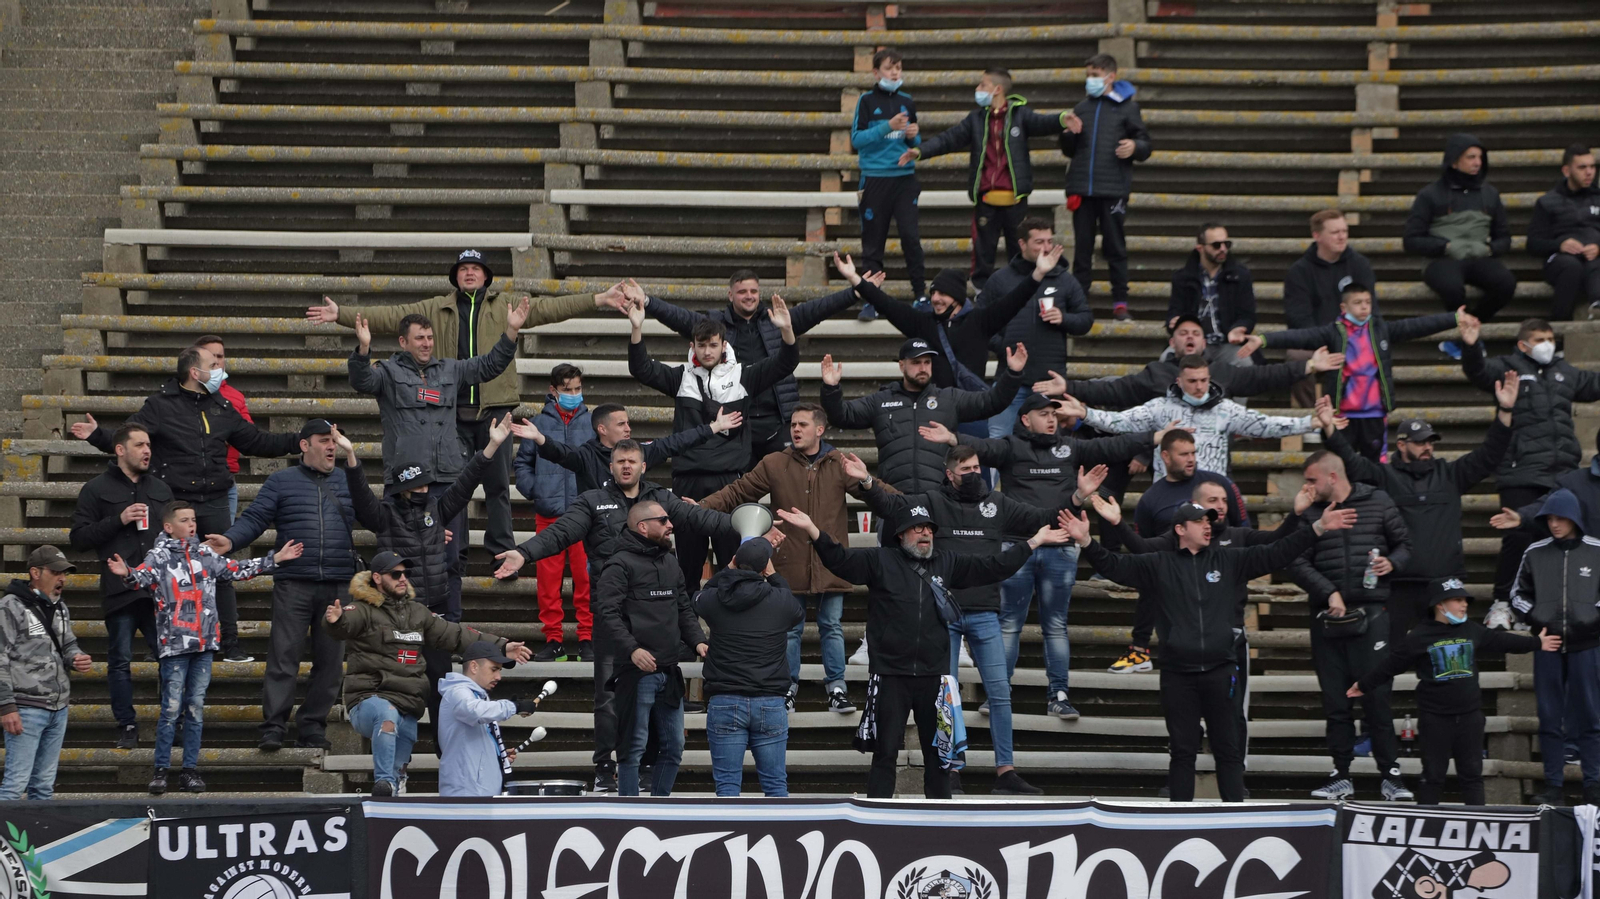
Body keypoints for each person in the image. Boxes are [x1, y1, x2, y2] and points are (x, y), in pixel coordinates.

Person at [307, 252, 626, 559]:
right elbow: (391, 316)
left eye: (476, 268)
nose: (469, 272)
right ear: (455, 276)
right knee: (454, 489)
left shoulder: (505, 305)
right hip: (453, 415)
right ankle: (455, 552)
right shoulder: (435, 308)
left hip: (495, 409)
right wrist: (342, 315)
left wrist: (599, 299)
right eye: (463, 268)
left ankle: (501, 552)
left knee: (498, 487)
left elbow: (551, 308)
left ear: (486, 276)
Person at [776, 505, 1073, 799]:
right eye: (918, 528)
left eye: (929, 528)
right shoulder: (880, 560)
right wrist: (813, 530)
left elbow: (993, 567)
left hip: (934, 676)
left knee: (938, 756)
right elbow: (840, 560)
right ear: (901, 534)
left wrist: (1032, 542)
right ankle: (877, 814)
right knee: (884, 753)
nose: (925, 533)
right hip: (890, 674)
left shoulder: (948, 561)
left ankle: (939, 816)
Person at [493, 439, 738, 794]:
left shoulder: (661, 500)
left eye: (632, 461)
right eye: (620, 461)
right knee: (609, 701)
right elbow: (561, 532)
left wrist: (748, 528)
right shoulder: (592, 501)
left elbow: (701, 517)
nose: (626, 466)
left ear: (643, 466)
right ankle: (606, 768)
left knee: (657, 700)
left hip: (655, 620)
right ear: (611, 466)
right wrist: (523, 553)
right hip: (612, 620)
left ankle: (649, 769)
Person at [1064, 500, 1349, 802]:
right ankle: (1180, 818)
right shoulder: (1159, 563)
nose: (1207, 525)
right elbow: (1115, 567)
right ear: (1180, 529)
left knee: (1228, 750)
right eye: (1199, 521)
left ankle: (1235, 816)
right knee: (1182, 751)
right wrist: (1086, 541)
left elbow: (1278, 552)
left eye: (1209, 521)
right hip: (1178, 675)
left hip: (1221, 671)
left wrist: (1318, 527)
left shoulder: (1229, 560)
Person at [918, 394, 1154, 712]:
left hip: (1062, 547)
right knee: (1009, 624)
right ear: (1026, 419)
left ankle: (1059, 696)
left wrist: (1154, 437)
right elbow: (982, 449)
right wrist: (953, 438)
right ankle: (998, 693)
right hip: (1019, 548)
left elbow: (1113, 446)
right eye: (1043, 414)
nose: (1051, 419)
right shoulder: (1011, 446)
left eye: (1054, 414)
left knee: (1055, 626)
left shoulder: (1070, 447)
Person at [69, 344, 302, 662]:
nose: (219, 369)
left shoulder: (221, 405)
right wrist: (98, 435)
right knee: (170, 571)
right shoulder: (160, 405)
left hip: (215, 499)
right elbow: (129, 437)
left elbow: (256, 441)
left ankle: (229, 642)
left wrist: (299, 440)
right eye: (212, 364)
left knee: (220, 570)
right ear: (195, 372)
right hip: (176, 501)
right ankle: (169, 640)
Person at [858, 443, 1065, 794]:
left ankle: (1005, 771)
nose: (973, 474)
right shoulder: (931, 501)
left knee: (1000, 692)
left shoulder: (997, 503)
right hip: (945, 614)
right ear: (949, 473)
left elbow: (1040, 517)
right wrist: (866, 481)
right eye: (965, 469)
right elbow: (892, 506)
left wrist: (1078, 498)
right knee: (946, 698)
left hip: (985, 612)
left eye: (976, 468)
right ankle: (951, 767)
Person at [1089, 480, 1326, 767]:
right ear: (1193, 509)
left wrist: (1296, 515)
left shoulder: (1238, 537)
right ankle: (1184, 771)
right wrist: (1117, 524)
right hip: (1184, 650)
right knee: (1185, 732)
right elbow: (1140, 549)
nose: (1221, 507)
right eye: (1212, 501)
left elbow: (1276, 546)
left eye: (1224, 500)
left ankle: (1236, 773)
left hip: (1230, 641)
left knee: (1234, 717)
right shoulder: (1173, 544)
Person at [699, 403, 888, 712]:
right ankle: (787, 688)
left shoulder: (839, 462)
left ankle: (836, 688)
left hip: (831, 561)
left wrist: (912, 506)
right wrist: (701, 506)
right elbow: (738, 491)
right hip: (788, 561)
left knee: (831, 626)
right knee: (790, 630)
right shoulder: (775, 462)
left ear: (820, 429)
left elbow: (878, 492)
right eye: (793, 424)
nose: (796, 429)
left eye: (803, 424)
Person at [1312, 374, 1517, 645]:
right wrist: (1329, 428)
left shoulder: (1451, 474)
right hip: (1398, 583)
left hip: (1445, 583)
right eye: (1420, 442)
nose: (1427, 447)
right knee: (1392, 653)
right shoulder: (1384, 476)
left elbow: (1490, 454)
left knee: (1449, 655)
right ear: (1401, 445)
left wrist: (1505, 411)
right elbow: (1351, 462)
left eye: (1430, 442)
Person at [340, 415, 510, 739]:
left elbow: (466, 483)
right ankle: (396, 759)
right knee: (397, 690)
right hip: (396, 618)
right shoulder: (384, 516)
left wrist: (491, 446)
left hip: (434, 615)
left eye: (425, 484)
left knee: (441, 690)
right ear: (402, 488)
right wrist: (350, 456)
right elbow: (361, 496)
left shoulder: (438, 509)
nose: (424, 489)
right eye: (417, 485)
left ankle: (446, 753)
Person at [110, 502, 298, 794]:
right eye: (185, 520)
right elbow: (140, 578)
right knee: (171, 709)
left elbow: (237, 570)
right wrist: (127, 573)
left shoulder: (205, 554)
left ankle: (189, 770)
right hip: (174, 646)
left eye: (193, 519)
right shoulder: (158, 556)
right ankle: (161, 770)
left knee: (195, 708)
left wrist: (276, 559)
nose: (192, 524)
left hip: (204, 644)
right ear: (169, 527)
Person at [347, 297, 526, 601]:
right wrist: (363, 350)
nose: (427, 343)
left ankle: (450, 621)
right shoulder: (388, 372)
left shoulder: (449, 370)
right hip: (405, 483)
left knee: (451, 558)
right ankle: (403, 621)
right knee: (402, 564)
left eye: (430, 337)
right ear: (403, 342)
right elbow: (362, 380)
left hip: (447, 480)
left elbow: (490, 365)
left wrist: (511, 332)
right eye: (419, 338)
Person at [628, 292, 797, 591]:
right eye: (701, 345)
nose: (707, 351)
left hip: (730, 483)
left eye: (713, 345)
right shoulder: (681, 377)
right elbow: (641, 368)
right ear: (692, 346)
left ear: (724, 345)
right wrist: (637, 327)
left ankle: (729, 620)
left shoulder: (743, 375)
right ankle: (689, 622)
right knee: (688, 569)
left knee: (736, 565)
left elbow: (785, 364)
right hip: (688, 480)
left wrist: (787, 331)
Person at [325, 552, 530, 795]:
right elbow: (345, 624)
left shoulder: (418, 612)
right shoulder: (362, 609)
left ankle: (395, 784)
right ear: (377, 578)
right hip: (369, 697)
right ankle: (385, 782)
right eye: (396, 574)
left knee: (405, 734)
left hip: (407, 701)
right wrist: (336, 621)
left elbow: (455, 634)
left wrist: (501, 646)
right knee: (387, 715)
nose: (403, 579)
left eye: (406, 574)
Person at [208, 420, 357, 752]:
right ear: (305, 445)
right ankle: (274, 726)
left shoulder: (349, 480)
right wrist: (230, 541)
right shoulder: (281, 481)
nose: (331, 446)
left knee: (331, 664)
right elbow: (255, 518)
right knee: (283, 658)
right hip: (294, 583)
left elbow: (378, 517)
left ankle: (312, 727)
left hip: (338, 583)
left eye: (334, 441)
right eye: (324, 440)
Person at [1356, 577, 1556, 806]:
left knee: (1472, 776)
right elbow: (1390, 665)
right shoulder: (1419, 636)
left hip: (1470, 717)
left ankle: (1477, 822)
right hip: (1435, 718)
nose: (1464, 605)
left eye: (1465, 600)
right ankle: (1428, 821)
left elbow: (1502, 640)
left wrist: (1536, 643)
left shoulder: (1471, 629)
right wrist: (1362, 685)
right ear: (1440, 605)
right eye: (1458, 600)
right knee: (1432, 776)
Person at [1460, 315, 1600, 624]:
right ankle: (1502, 603)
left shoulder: (1564, 371)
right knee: (1518, 536)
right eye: (1539, 340)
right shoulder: (1508, 367)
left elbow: (1594, 384)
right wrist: (1471, 346)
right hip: (1520, 469)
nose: (1547, 345)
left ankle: (1543, 604)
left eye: (1550, 339)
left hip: (1562, 470)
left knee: (1561, 538)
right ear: (1523, 345)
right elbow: (1478, 371)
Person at [1292, 450, 1415, 802]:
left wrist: (1392, 563)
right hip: (1326, 617)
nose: (1307, 487)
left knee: (1377, 698)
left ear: (1332, 476)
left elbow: (1405, 544)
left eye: (1312, 479)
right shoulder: (1310, 512)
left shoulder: (1377, 500)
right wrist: (1328, 591)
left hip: (1372, 614)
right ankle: (1341, 774)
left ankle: (1391, 776)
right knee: (1335, 702)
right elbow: (1295, 561)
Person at [632, 274, 860, 461]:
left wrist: (856, 293)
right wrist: (648, 302)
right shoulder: (714, 326)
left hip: (777, 421)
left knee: (788, 487)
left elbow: (818, 309)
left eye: (753, 291)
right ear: (730, 295)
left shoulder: (777, 319)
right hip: (736, 423)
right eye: (742, 291)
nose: (749, 296)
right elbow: (677, 317)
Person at [1238, 284, 1467, 461]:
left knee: (1374, 465)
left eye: (1368, 302)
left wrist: (1454, 318)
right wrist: (1264, 339)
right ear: (1344, 308)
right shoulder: (1333, 332)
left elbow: (1416, 326)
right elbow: (1299, 336)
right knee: (1338, 463)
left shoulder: (1381, 329)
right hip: (1342, 415)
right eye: (1358, 303)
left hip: (1374, 414)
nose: (1364, 307)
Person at [898, 67, 1069, 288]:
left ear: (997, 89)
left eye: (982, 85)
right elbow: (948, 139)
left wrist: (1063, 118)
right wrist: (920, 151)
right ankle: (982, 294)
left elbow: (1044, 122)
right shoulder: (976, 119)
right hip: (986, 200)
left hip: (1015, 201)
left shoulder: (1020, 115)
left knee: (1019, 252)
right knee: (983, 254)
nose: (978, 89)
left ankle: (1023, 292)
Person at [596, 502, 710, 797]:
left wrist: (698, 641)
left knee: (674, 747)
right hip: (636, 672)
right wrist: (633, 650)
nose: (670, 525)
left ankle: (659, 805)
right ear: (643, 527)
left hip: (669, 670)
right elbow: (607, 614)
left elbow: (683, 608)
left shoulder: (670, 561)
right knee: (632, 748)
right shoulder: (619, 564)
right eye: (663, 520)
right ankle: (630, 811)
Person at [68, 424, 171, 749]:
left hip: (157, 590)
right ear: (120, 450)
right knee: (120, 660)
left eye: (149, 444)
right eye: (140, 445)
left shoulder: (161, 488)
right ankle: (126, 725)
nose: (147, 450)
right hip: (119, 590)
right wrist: (119, 519)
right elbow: (78, 538)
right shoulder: (96, 488)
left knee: (170, 659)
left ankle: (173, 722)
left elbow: (177, 535)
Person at [837, 245, 1063, 391]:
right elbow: (887, 305)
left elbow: (1014, 300)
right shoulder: (922, 323)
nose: (936, 299)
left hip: (971, 410)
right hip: (935, 410)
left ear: (958, 298)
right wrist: (854, 278)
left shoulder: (980, 321)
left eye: (943, 294)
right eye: (933, 293)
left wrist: (1038, 274)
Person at [820, 338, 1026, 495]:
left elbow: (991, 402)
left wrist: (1013, 374)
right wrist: (831, 388)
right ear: (902, 365)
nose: (923, 368)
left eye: (927, 362)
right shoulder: (881, 400)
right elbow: (841, 416)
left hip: (938, 498)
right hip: (892, 498)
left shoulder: (948, 398)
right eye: (916, 362)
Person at [1058, 354, 1315, 479]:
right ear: (1179, 381)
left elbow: (1267, 425)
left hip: (1213, 494)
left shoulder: (1225, 409)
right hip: (1169, 492)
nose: (1199, 386)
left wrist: (1310, 423)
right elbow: (1120, 421)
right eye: (1192, 381)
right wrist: (1085, 413)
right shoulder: (1161, 407)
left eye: (1204, 380)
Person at [1037, 316, 1341, 411]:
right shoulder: (1157, 373)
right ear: (1172, 342)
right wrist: (1069, 387)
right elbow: (1114, 391)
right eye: (1183, 333)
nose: (1190, 338)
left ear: (1205, 342)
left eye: (1196, 333)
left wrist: (1308, 366)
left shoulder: (1221, 372)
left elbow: (1265, 376)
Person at [694, 537, 804, 797]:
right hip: (769, 702)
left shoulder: (716, 599)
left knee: (727, 786)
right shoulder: (780, 600)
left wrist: (727, 570)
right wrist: (774, 576)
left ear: (735, 561)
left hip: (725, 700)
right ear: (765, 566)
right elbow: (795, 610)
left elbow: (697, 597)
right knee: (776, 785)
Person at [1511, 489, 1600, 806]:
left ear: (1574, 518)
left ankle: (1593, 784)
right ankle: (1553, 785)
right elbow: (1517, 594)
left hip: (1587, 645)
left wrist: (1592, 619)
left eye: (1560, 518)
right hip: (1547, 644)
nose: (1554, 524)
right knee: (1549, 717)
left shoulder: (1596, 551)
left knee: (1591, 716)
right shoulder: (1535, 552)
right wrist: (1537, 618)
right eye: (1549, 518)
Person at [973, 218, 1095, 439]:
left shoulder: (1065, 280)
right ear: (1022, 244)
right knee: (999, 438)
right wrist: (1004, 348)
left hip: (1049, 380)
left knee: (1048, 440)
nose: (1046, 248)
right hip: (1010, 377)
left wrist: (1064, 318)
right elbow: (978, 322)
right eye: (1039, 242)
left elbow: (1086, 320)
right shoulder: (1000, 280)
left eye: (1049, 241)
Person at [1402, 135, 1516, 359]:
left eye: (1480, 157)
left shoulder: (1490, 194)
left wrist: (1489, 249)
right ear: (1454, 161)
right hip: (1442, 259)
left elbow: (1504, 238)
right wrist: (1445, 246)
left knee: (1506, 284)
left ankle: (1462, 334)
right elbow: (1411, 240)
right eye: (1471, 157)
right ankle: (1464, 338)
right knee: (1452, 287)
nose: (1477, 162)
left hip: (1479, 257)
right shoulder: (1430, 194)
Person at [1059, 53, 1151, 322]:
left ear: (1111, 77)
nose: (1090, 80)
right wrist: (1066, 135)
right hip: (1082, 190)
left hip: (1113, 190)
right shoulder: (1081, 107)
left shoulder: (1128, 108)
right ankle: (1079, 301)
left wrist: (1135, 146)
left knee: (1115, 247)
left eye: (1095, 75)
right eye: (1088, 75)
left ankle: (1120, 302)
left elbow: (1145, 143)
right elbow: (1069, 150)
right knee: (1082, 249)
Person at [514, 364, 594, 661]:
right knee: (548, 584)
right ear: (553, 390)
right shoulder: (537, 423)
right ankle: (554, 640)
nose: (574, 394)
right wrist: (537, 490)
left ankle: (588, 639)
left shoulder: (594, 422)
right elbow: (522, 464)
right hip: (549, 514)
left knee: (587, 580)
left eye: (577, 388)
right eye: (567, 389)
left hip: (585, 516)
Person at [0, 547, 90, 801]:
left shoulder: (60, 607)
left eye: (64, 573)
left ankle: (40, 829)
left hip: (58, 707)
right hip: (26, 707)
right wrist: (6, 706)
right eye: (56, 572)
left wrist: (76, 657)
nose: (62, 578)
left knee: (43, 787)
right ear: (35, 573)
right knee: (14, 786)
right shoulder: (9, 608)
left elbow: (68, 644)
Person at [519, 401, 727, 496]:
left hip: (634, 537)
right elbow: (560, 453)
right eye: (621, 424)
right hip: (599, 544)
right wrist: (540, 438)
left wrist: (713, 427)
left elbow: (675, 442)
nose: (628, 429)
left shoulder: (639, 451)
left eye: (628, 423)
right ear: (602, 429)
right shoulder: (585, 456)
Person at [852, 46, 924, 317]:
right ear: (876, 72)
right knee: (873, 242)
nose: (895, 73)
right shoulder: (866, 101)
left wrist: (914, 136)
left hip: (904, 179)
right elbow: (857, 139)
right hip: (875, 179)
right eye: (889, 68)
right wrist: (887, 127)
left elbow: (914, 141)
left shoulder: (907, 100)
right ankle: (871, 300)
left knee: (911, 237)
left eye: (898, 68)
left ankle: (921, 295)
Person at [1282, 210, 1378, 407]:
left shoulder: (1360, 265)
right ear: (1317, 235)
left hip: (1352, 338)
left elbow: (1369, 309)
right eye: (1335, 232)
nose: (1342, 237)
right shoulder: (1299, 271)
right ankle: (1311, 416)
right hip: (1315, 342)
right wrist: (1324, 343)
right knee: (1296, 357)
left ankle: (1353, 413)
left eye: (1345, 231)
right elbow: (1298, 317)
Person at [437, 641, 543, 798]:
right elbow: (475, 711)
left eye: (499, 670)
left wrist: (496, 755)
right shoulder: (457, 692)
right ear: (474, 667)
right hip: (465, 795)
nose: (498, 677)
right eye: (494, 669)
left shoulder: (477, 695)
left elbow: (474, 740)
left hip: (479, 793)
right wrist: (514, 706)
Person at [1527, 144, 1600, 322]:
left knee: (1595, 265)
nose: (1589, 172)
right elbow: (1533, 244)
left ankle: (1597, 308)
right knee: (1571, 267)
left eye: (1592, 166)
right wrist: (1560, 245)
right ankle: (1560, 326)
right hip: (1560, 260)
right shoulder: (1548, 202)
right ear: (1566, 171)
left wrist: (1599, 247)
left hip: (1594, 258)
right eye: (1582, 167)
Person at [1167, 223, 1256, 363]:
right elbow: (1174, 311)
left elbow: (1248, 315)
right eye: (1216, 245)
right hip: (1194, 343)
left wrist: (1239, 328)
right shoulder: (1183, 278)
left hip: (1227, 343)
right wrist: (1174, 321)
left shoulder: (1240, 275)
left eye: (1226, 244)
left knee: (1244, 362)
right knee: (1166, 360)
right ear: (1200, 248)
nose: (1223, 249)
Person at [191, 335, 254, 520]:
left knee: (224, 537)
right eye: (212, 356)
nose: (217, 361)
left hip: (226, 478)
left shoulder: (236, 396)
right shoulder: (183, 393)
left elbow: (248, 432)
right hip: (190, 481)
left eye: (220, 356)